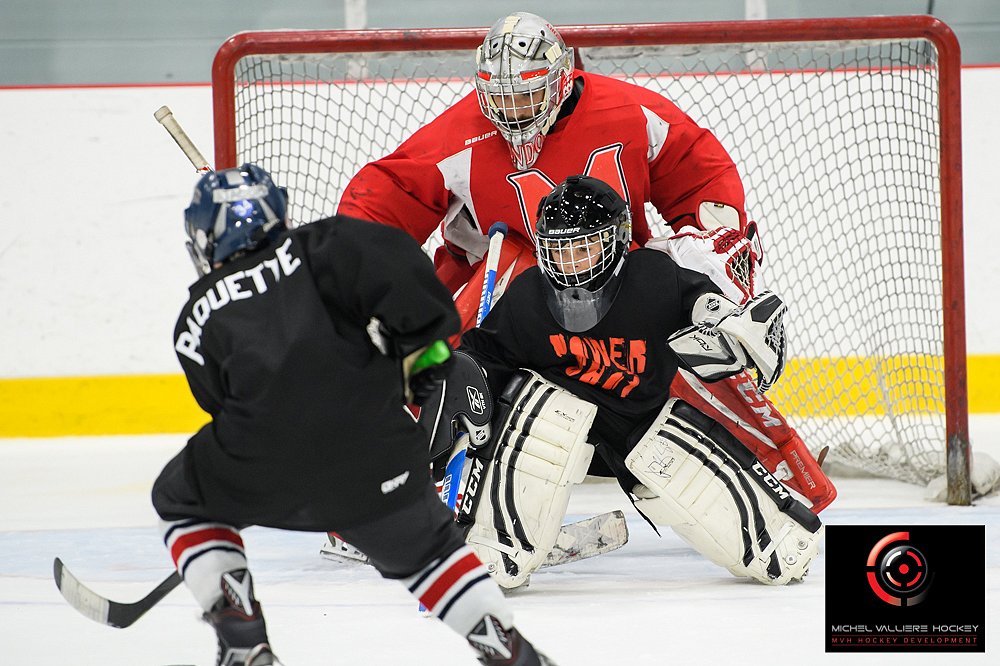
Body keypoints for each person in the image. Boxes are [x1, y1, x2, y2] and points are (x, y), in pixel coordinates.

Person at [336, 11, 835, 514]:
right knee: (432, 360)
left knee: (691, 332)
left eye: (526, 94)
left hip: (615, 288)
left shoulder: (628, 113)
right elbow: (386, 194)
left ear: (559, 79)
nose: (511, 111)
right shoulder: (459, 137)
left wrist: (707, 248)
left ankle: (774, 471)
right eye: (498, 96)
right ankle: (391, 487)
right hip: (503, 297)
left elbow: (698, 172)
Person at [152, 163, 557, 666]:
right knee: (430, 555)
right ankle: (510, 652)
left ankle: (242, 638)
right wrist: (416, 367)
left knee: (179, 497)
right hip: (372, 454)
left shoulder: (193, 316)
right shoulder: (326, 244)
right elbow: (420, 300)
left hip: (261, 463)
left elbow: (221, 401)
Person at [446, 174, 823, 590]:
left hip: (641, 433)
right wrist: (463, 383)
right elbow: (482, 359)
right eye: (560, 249)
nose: (570, 263)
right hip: (552, 430)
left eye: (584, 247)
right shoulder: (528, 297)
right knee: (545, 411)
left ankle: (770, 535)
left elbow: (702, 302)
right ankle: (500, 538)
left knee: (785, 556)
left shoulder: (653, 279)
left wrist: (733, 326)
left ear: (618, 239)